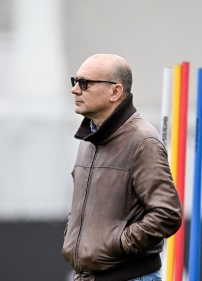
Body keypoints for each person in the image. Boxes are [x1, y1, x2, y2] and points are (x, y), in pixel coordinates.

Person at [62, 53, 182, 281]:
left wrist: (120, 242)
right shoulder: (90, 138)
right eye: (75, 82)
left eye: (85, 83)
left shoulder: (142, 141)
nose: (75, 90)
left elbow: (167, 213)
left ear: (115, 92)